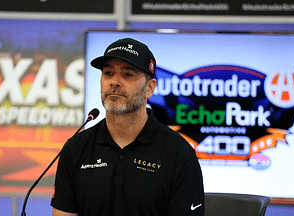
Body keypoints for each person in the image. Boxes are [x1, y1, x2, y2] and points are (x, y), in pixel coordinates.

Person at [51, 38, 204, 216]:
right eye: (108, 73)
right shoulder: (76, 148)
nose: (114, 81)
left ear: (150, 88)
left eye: (127, 74)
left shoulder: (179, 153)